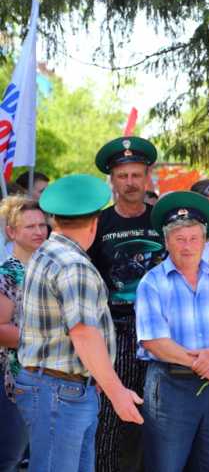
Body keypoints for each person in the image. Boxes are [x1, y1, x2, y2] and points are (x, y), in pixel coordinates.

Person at [15, 174, 144, 472]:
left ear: (55, 220)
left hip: (56, 387)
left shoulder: (45, 252)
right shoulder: (74, 265)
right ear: (94, 223)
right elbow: (84, 334)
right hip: (61, 391)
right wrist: (117, 392)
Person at [136, 191, 209, 472]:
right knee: (165, 466)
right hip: (170, 385)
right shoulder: (153, 282)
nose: (188, 246)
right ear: (167, 241)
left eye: (194, 238)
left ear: (205, 240)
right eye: (179, 239)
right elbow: (154, 341)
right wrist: (203, 364)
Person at [90, 136, 164, 472]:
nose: (130, 183)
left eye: (136, 175)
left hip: (162, 333)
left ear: (147, 176)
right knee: (110, 415)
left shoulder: (163, 220)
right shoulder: (99, 224)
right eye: (123, 176)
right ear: (113, 180)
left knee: (158, 418)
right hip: (115, 330)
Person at [0, 197, 47, 472]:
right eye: (30, 226)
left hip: (49, 379)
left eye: (42, 224)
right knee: (10, 456)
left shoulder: (50, 269)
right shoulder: (7, 274)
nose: (39, 231)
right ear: (12, 232)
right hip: (14, 380)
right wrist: (47, 338)